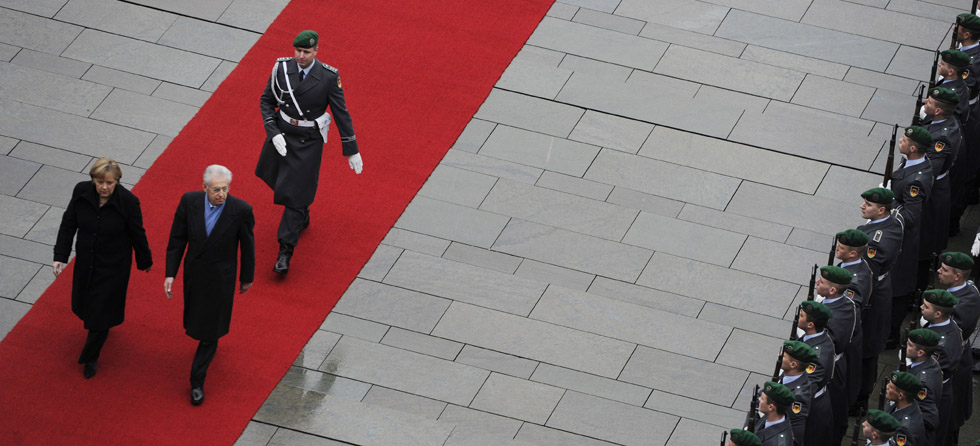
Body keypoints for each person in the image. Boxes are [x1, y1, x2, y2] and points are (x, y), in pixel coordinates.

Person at [255, 29, 363, 274]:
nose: (301, 56)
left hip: (307, 141)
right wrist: (273, 132)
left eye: (306, 52)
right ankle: (302, 210)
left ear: (316, 52)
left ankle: (285, 250)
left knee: (293, 194)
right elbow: (266, 101)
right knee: (269, 175)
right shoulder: (281, 69)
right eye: (298, 51)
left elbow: (341, 113)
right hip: (282, 134)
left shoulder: (327, 77)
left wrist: (351, 149)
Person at [53, 158, 152, 378]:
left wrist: (144, 260)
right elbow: (69, 224)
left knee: (101, 313)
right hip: (87, 264)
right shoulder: (81, 192)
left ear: (117, 181)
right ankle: (98, 330)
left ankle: (90, 356)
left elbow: (138, 233)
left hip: (113, 268)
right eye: (99, 182)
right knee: (85, 305)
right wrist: (60, 255)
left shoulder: (128, 202)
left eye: (109, 182)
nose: (104, 187)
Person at [164, 165, 255, 405]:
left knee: (211, 332)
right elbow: (177, 239)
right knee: (195, 322)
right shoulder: (189, 202)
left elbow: (248, 246)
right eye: (216, 189)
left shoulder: (241, 210)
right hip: (195, 274)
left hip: (220, 280)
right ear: (204, 188)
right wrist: (170, 273)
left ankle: (197, 381)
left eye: (225, 189)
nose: (221, 194)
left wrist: (247, 277)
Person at [889, 127, 934, 349]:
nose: (901, 141)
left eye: (905, 140)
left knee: (897, 284)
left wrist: (889, 202)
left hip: (902, 239)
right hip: (900, 234)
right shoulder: (914, 164)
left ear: (913, 148)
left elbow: (910, 216)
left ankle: (890, 334)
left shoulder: (916, 180)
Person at [936, 252, 979, 443]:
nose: (939, 271)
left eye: (944, 270)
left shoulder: (964, 300)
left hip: (953, 362)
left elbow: (950, 330)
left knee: (949, 421)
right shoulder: (965, 291)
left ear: (957, 276)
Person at [919, 289, 963, 445]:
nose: (921, 308)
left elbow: (927, 368)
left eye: (926, 306)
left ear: (938, 314)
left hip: (933, 394)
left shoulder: (942, 344)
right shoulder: (939, 326)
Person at [906, 328, 943, 445]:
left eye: (909, 345)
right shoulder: (929, 363)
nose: (905, 347)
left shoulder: (922, 382)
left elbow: (928, 417)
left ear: (920, 353)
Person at [777, 340, 818, 445]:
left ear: (793, 364)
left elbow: (793, 428)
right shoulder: (789, 376)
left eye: (784, 356)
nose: (779, 355)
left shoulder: (798, 395)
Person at [746, 381, 795, 446]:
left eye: (762, 399)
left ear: (771, 407)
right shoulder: (770, 416)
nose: (759, 399)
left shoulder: (777, 443)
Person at [884, 370, 926, 446]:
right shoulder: (896, 404)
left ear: (900, 396)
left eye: (890, 387)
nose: (887, 387)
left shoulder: (905, 429)